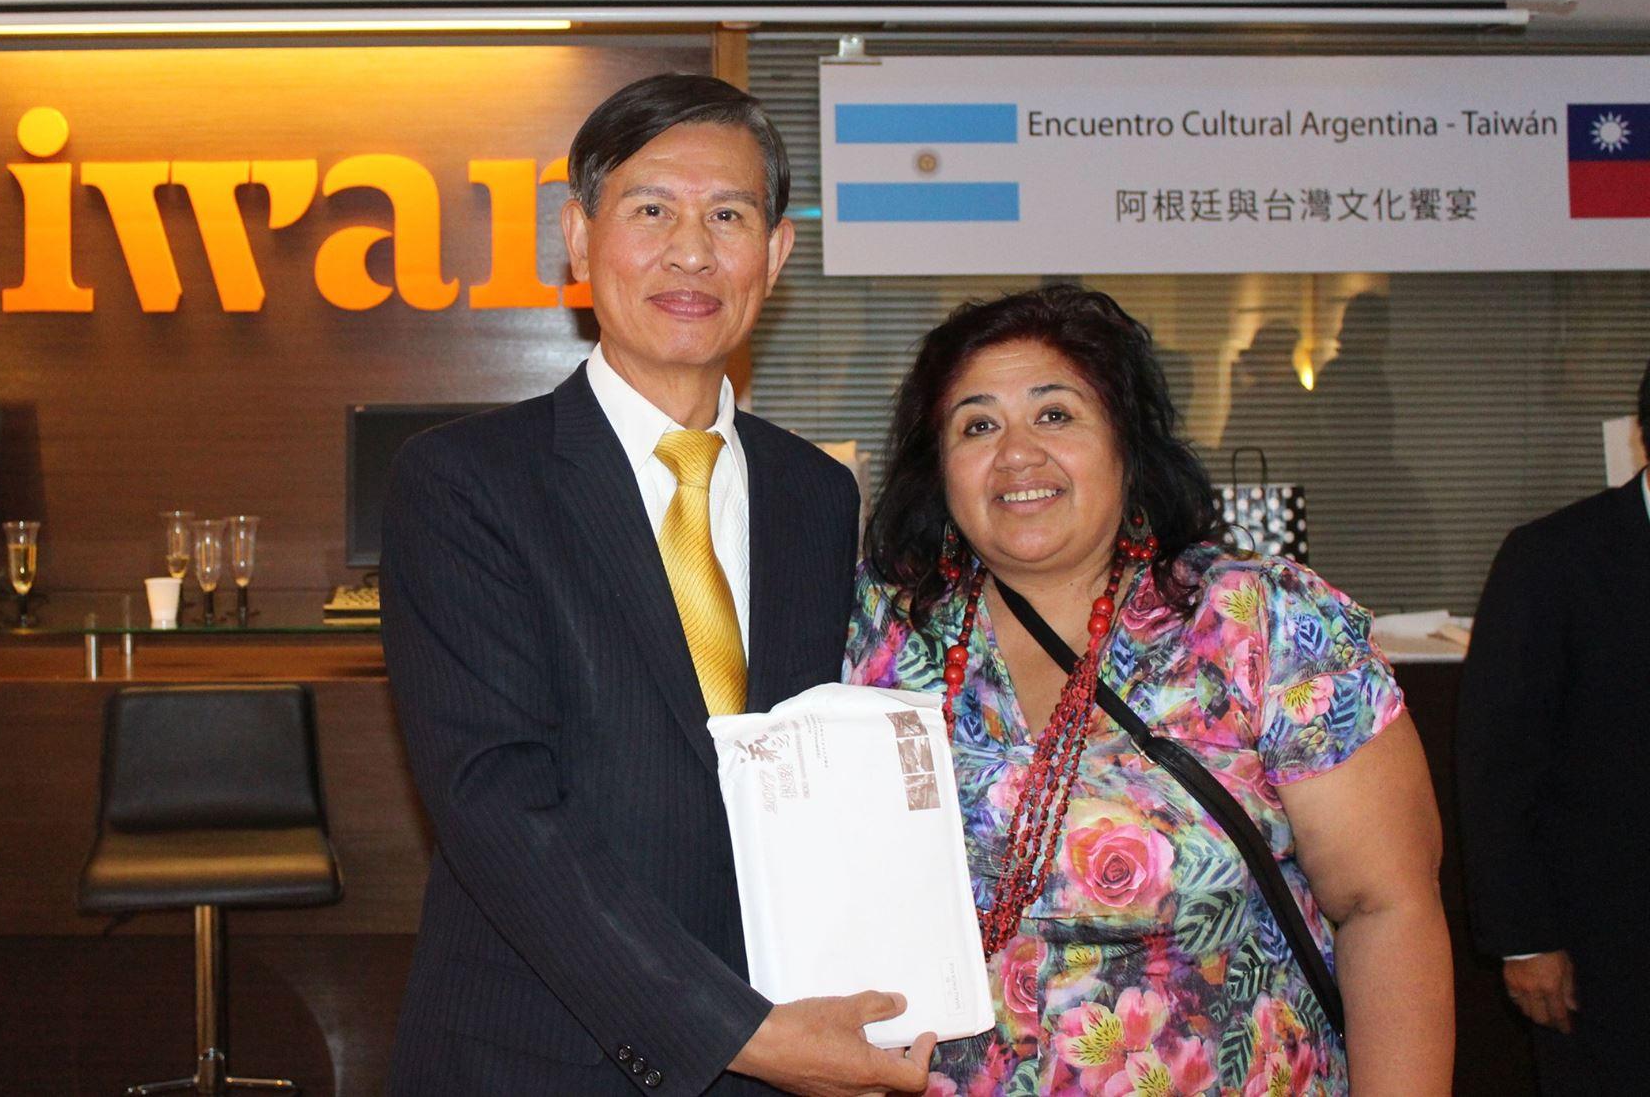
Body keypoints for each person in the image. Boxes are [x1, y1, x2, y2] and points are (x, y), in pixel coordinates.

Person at [381, 72, 936, 1096]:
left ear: (775, 252)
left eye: (728, 215)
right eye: (650, 211)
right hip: (541, 1057)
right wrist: (734, 1033)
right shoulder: (464, 482)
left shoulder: (816, 494)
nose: (691, 251)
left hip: (785, 1046)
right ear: (577, 238)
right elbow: (497, 805)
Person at [843, 285, 1453, 1095]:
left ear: (1127, 444)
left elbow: (1386, 907)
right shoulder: (876, 634)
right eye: (977, 425)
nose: (1017, 453)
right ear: (939, 469)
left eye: (1055, 414)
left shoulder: (1260, 623)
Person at [1457, 358, 1650, 1094]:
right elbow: (1496, 763)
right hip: (1606, 948)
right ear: (1644, 435)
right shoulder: (1553, 558)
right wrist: (1524, 938)